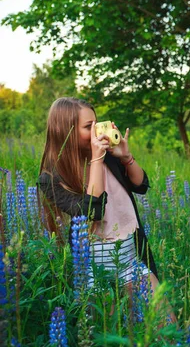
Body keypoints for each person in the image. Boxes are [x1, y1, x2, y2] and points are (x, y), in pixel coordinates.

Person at [37, 97, 161, 299]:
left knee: (164, 323)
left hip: (129, 256)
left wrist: (125, 157)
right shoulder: (51, 179)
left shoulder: (109, 158)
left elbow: (141, 186)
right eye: (89, 127)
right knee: (108, 328)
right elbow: (92, 210)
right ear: (65, 131)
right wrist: (96, 159)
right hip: (91, 266)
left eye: (97, 124)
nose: (97, 131)